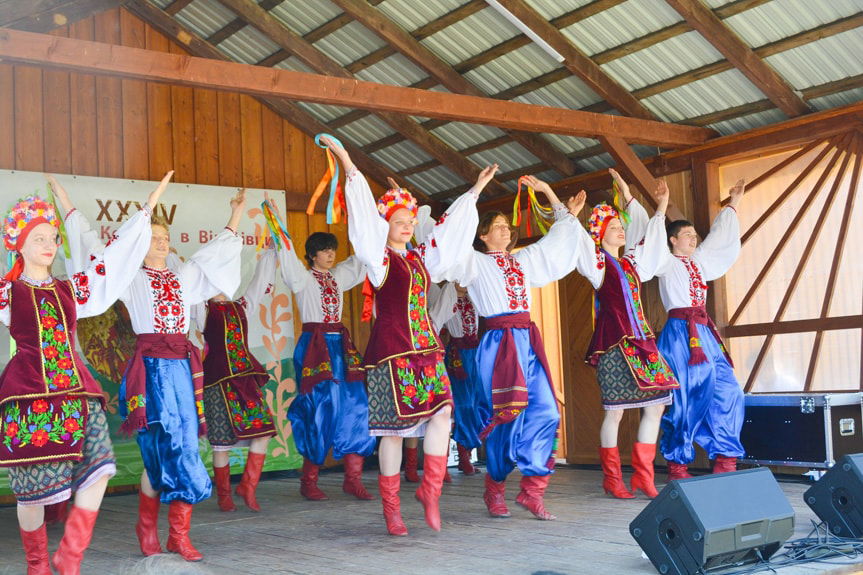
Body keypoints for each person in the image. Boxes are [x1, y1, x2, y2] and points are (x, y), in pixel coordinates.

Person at [63, 185, 245, 562]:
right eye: (154, 238)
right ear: (141, 243)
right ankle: (147, 527)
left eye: (165, 238)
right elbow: (97, 249)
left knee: (187, 447)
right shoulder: (130, 278)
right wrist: (67, 205)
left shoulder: (182, 278)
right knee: (160, 452)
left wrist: (236, 214)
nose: (162, 243)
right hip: (149, 371)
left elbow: (218, 253)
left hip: (181, 368)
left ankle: (179, 533)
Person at [324, 135, 495, 535]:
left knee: (443, 413)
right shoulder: (379, 261)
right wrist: (349, 162)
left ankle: (430, 492)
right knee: (395, 432)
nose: (405, 228)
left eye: (408, 223)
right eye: (398, 223)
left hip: (427, 349)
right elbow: (363, 218)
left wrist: (476, 191)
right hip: (391, 353)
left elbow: (449, 233)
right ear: (385, 226)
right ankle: (392, 509)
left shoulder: (421, 258)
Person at [1, 174, 163, 575]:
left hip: (76, 389)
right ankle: (37, 564)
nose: (49, 245)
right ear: (19, 244)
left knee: (102, 467)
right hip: (29, 393)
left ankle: (70, 556)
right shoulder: (7, 292)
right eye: (39, 237)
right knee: (32, 491)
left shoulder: (72, 289)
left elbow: (110, 263)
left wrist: (143, 214)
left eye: (53, 238)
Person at [455, 176, 584, 521]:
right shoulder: (473, 262)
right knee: (506, 419)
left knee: (548, 412)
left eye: (506, 226)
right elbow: (448, 239)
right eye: (496, 227)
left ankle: (533, 491)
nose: (504, 230)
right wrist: (474, 191)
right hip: (498, 345)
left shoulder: (524, 259)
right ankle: (494, 487)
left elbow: (560, 238)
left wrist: (549, 193)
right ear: (482, 235)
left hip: (527, 340)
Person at [572, 170, 679, 499]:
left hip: (642, 342)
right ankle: (612, 478)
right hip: (615, 343)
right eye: (615, 227)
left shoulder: (632, 264)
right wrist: (573, 217)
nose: (621, 231)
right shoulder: (598, 262)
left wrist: (661, 207)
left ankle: (644, 476)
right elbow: (578, 245)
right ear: (601, 233)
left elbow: (650, 243)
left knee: (657, 405)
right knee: (615, 410)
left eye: (621, 226)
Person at [269, 215, 376, 502]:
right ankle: (309, 480)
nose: (331, 254)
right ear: (312, 254)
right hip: (315, 347)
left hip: (340, 346)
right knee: (320, 409)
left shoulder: (338, 276)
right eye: (325, 250)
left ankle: (352, 479)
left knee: (357, 406)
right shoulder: (303, 278)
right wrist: (275, 223)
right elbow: (288, 257)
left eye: (332, 250)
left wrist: (376, 223)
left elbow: (363, 258)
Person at [656, 179, 746, 479]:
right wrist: (659, 204)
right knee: (685, 396)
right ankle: (677, 464)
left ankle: (725, 460)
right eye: (687, 235)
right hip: (680, 334)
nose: (694, 240)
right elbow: (646, 243)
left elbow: (721, 239)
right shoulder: (665, 262)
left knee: (728, 390)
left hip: (704, 333)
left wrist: (733, 203)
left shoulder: (700, 262)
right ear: (672, 240)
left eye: (695, 235)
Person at [199, 246, 278, 512]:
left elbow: (258, 283)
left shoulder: (241, 306)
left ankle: (248, 486)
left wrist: (270, 252)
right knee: (221, 443)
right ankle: (224, 495)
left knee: (264, 431)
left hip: (244, 380)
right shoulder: (201, 308)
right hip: (216, 382)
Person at [428, 282, 481, 476]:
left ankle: (466, 453)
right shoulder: (445, 295)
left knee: (476, 403)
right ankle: (461, 455)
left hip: (475, 354)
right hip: (457, 355)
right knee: (462, 404)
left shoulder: (475, 295)